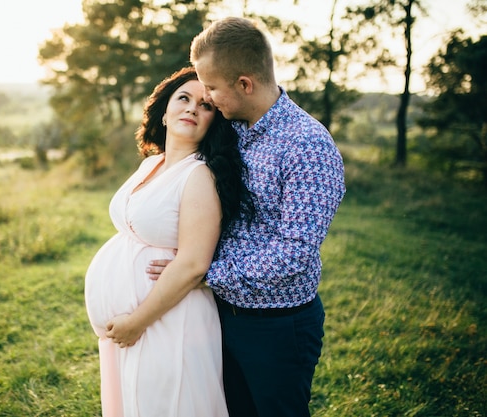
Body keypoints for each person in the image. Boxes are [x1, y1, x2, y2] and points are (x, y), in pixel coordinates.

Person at [147, 17, 346, 417]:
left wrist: (204, 272)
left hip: (275, 325)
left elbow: (294, 254)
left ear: (244, 84)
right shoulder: (232, 128)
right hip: (217, 315)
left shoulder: (308, 147)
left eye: (213, 89)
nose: (208, 98)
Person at [84, 66, 254, 417]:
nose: (193, 108)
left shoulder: (199, 176)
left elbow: (193, 265)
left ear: (213, 122)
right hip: (143, 324)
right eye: (184, 98)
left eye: (205, 105)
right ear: (165, 112)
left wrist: (136, 322)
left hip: (170, 322)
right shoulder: (152, 163)